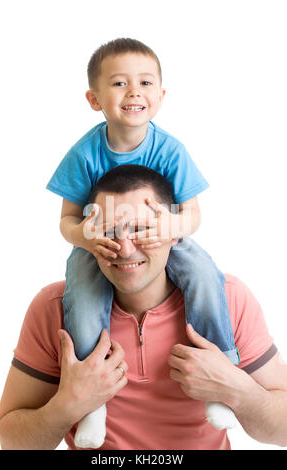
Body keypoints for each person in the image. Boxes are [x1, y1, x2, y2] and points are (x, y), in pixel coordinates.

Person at [0, 166, 287, 450]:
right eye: (108, 232)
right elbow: (11, 442)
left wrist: (238, 391)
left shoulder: (228, 299)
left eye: (142, 229)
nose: (125, 248)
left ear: (174, 233)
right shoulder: (53, 308)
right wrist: (67, 404)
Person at [45, 38, 239, 447]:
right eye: (119, 83)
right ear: (94, 98)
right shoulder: (84, 154)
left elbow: (194, 214)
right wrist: (86, 236)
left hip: (162, 239)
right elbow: (65, 222)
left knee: (205, 272)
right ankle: (91, 397)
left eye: (146, 82)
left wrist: (171, 226)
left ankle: (221, 368)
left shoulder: (170, 150)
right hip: (101, 245)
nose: (134, 91)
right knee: (79, 289)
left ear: (161, 95)